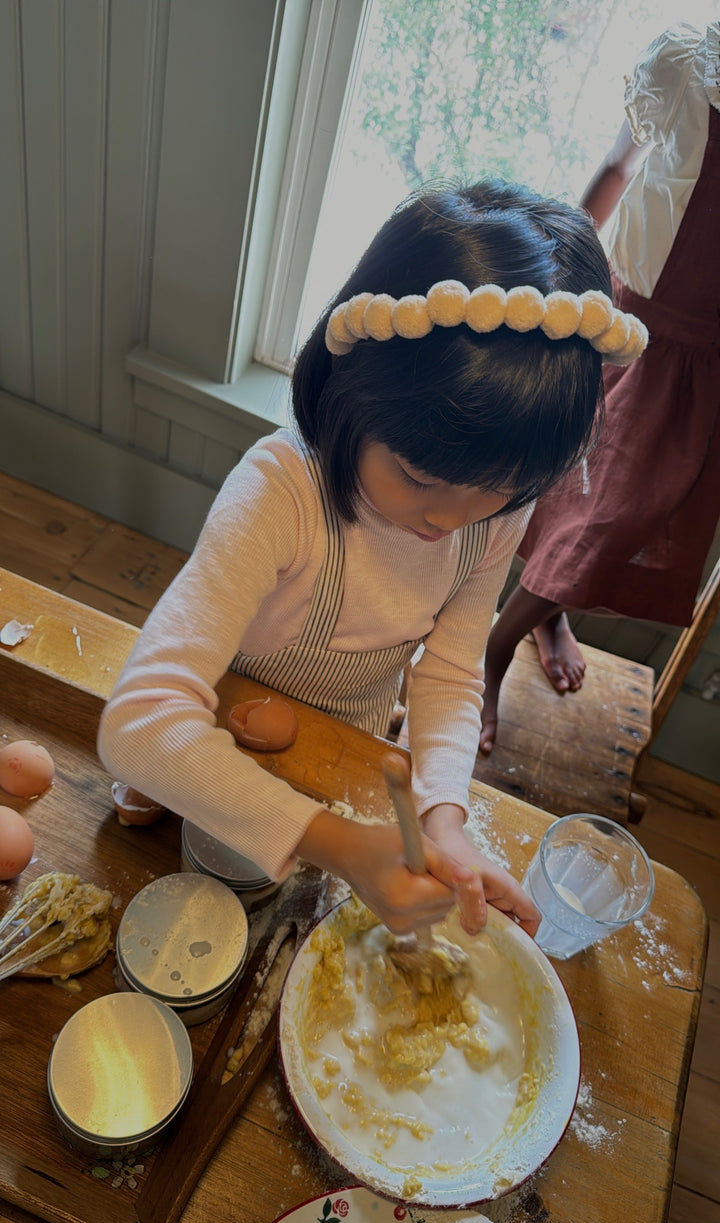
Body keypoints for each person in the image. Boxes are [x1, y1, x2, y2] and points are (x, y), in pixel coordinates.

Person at [98, 178, 645, 941]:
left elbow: (453, 674)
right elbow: (136, 722)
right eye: (419, 477)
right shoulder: (280, 494)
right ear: (350, 391)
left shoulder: (493, 514)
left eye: (500, 490)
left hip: (350, 748)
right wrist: (342, 845)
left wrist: (445, 817)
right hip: (214, 723)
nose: (448, 519)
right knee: (170, 817)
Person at [479, 21, 720, 754]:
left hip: (702, 363)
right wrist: (561, 275)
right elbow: (617, 170)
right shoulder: (687, 67)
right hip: (626, 322)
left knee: (618, 517)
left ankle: (528, 623)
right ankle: (500, 646)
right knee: (568, 487)